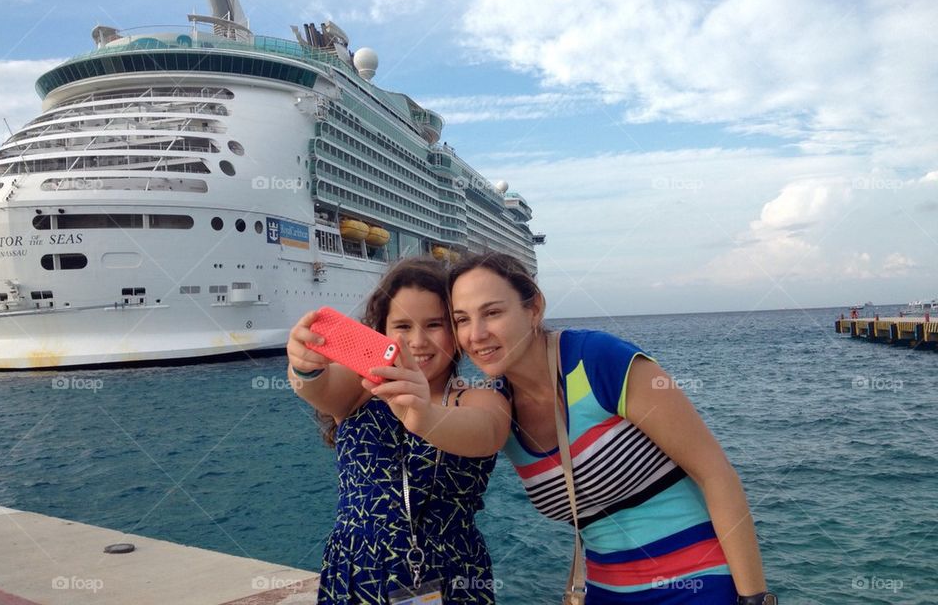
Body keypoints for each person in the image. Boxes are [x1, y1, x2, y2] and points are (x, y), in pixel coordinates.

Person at [448, 253, 776, 605]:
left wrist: (754, 599)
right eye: (461, 320)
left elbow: (715, 474)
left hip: (698, 585)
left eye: (492, 313)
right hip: (604, 593)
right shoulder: (497, 409)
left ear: (534, 308)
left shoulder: (596, 360)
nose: (476, 334)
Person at [287, 257, 511, 604]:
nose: (417, 341)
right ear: (382, 331)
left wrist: (421, 414)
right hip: (354, 572)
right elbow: (320, 387)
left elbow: (487, 432)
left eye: (434, 324)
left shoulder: (478, 399)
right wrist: (305, 367)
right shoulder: (361, 389)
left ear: (455, 331)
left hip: (448, 577)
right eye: (402, 326)